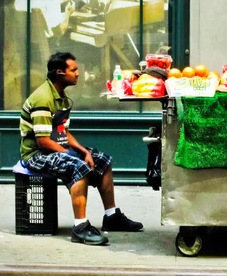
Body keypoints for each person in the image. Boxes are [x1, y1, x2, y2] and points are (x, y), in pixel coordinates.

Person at [19, 51, 143, 246]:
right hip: (36, 154)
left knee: (102, 159)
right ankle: (80, 227)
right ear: (60, 73)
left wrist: (83, 151)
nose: (78, 73)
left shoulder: (59, 96)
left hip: (54, 147)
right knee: (79, 167)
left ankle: (111, 216)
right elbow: (43, 141)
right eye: (73, 70)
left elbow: (62, 132)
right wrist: (72, 155)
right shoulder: (43, 99)